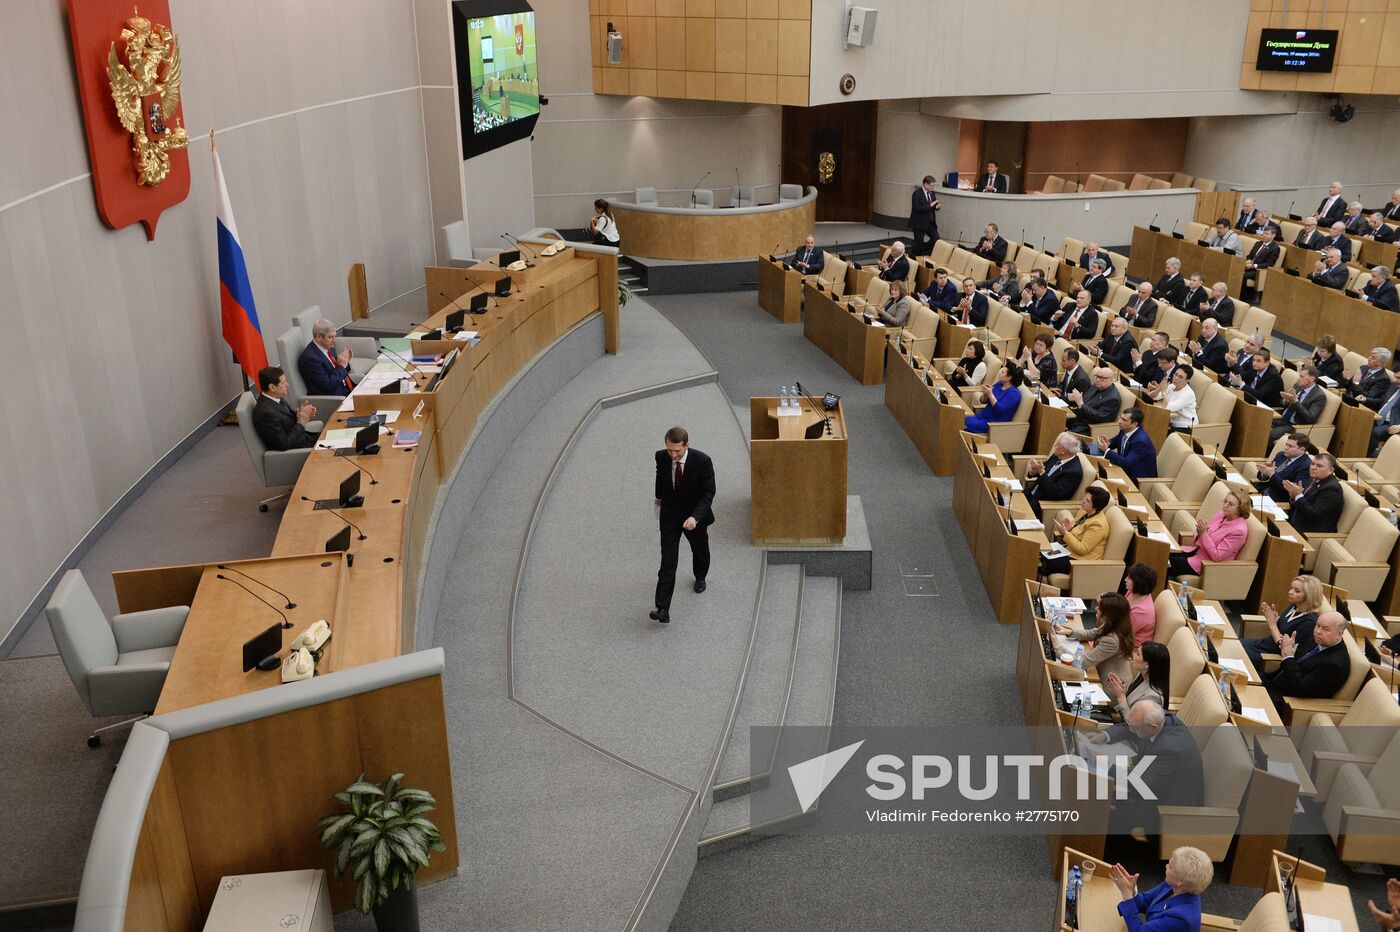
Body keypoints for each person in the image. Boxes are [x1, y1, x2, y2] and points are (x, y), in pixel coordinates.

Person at [650, 426, 716, 624]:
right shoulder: (661, 457)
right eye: (670, 449)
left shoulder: (702, 461)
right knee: (667, 561)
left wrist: (695, 517)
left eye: (677, 450)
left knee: (700, 549)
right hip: (670, 514)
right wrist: (659, 497)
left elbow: (708, 494)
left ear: (687, 445)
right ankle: (662, 608)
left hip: (693, 515)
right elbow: (660, 477)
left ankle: (700, 576)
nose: (673, 455)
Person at [1086, 700, 1205, 809]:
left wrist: (1106, 765)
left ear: (1154, 726)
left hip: (1166, 809)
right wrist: (1104, 735)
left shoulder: (1170, 750)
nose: (1131, 730)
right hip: (1151, 779)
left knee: (1096, 809)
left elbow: (1142, 784)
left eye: (1135, 728)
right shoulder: (1156, 716)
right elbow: (1130, 726)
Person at [1109, 846, 1214, 931]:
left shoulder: (1180, 919)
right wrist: (1131, 890)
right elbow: (1146, 902)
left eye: (1171, 866)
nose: (1166, 866)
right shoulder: (1172, 885)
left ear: (1181, 881)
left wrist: (1127, 896)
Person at [1265, 611, 1351, 711]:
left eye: (1325, 629)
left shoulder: (1333, 666)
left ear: (1340, 634)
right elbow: (1302, 661)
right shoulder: (1321, 639)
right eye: (1318, 625)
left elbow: (1301, 688)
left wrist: (1288, 658)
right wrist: (1291, 648)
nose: (1318, 631)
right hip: (1275, 680)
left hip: (1286, 700)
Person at [1242, 574, 1324, 670]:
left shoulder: (1309, 623)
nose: (1290, 592)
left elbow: (1285, 649)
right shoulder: (1295, 606)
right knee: (1236, 644)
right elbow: (1284, 629)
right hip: (1265, 644)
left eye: (1296, 591)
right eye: (1291, 588)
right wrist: (1276, 620)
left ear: (1309, 596)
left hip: (1272, 655)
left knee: (1237, 651)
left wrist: (1272, 625)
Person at [1053, 591, 1135, 686]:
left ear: (1108, 615)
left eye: (1099, 608)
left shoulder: (1111, 640)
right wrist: (1069, 632)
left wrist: (1059, 648)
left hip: (1110, 688)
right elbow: (1093, 633)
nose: (1096, 609)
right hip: (1103, 674)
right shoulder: (1116, 625)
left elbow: (1081, 663)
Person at [1169, 489, 1248, 578]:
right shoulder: (1221, 515)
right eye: (1225, 502)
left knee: (1165, 560)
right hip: (1196, 552)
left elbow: (1217, 556)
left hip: (1206, 565)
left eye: (1231, 504)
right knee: (1165, 551)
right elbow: (1202, 531)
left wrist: (1203, 534)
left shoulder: (1239, 531)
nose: (1225, 506)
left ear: (1241, 509)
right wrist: (1200, 531)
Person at [1040, 486, 1111, 577]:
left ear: (1096, 506)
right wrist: (1068, 528)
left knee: (1045, 561)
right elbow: (1077, 533)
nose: (1083, 501)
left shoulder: (1098, 525)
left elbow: (1082, 549)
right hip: (1070, 551)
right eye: (1084, 497)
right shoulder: (1085, 512)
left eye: (1087, 501)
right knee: (1041, 552)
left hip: (1081, 562)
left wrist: (1066, 533)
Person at [252, 366, 318, 451]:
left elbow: (286, 419)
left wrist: (300, 414)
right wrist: (301, 422)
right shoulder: (265, 413)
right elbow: (284, 444)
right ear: (272, 387)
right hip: (300, 450)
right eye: (283, 383)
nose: (288, 384)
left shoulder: (276, 397)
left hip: (305, 439)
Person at [1105, 641, 1170, 721]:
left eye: (1138, 654)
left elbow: (1134, 726)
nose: (1134, 655)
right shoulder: (1142, 676)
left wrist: (1121, 697)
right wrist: (1121, 691)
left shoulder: (1153, 698)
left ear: (1147, 665)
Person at [1024, 432, 1084, 518]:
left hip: (1040, 505)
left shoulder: (1073, 472)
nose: (1054, 445)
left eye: (1057, 444)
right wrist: (1034, 471)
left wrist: (1041, 472)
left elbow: (1054, 493)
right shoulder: (1058, 456)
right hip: (1030, 494)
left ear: (1063, 451)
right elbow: (1043, 468)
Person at [1282, 453, 1343, 534]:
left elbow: (1313, 514)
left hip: (1310, 532)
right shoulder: (1314, 479)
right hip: (1295, 522)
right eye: (1313, 464)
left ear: (1331, 470)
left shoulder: (1332, 489)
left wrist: (1298, 496)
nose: (1313, 467)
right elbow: (1302, 503)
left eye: (1319, 466)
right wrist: (1293, 496)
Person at [298, 318, 354, 397]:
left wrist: (345, 362)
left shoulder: (327, 346)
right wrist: (341, 366)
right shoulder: (310, 359)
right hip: (338, 398)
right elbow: (328, 385)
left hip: (348, 389)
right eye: (330, 337)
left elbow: (337, 371)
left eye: (335, 336)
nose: (334, 341)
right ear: (318, 337)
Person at [1269, 363, 1325, 443]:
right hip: (1281, 419)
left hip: (1294, 426)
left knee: (1270, 434)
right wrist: (1286, 400)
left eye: (1301, 376)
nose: (1298, 379)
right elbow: (1281, 403)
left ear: (1312, 379)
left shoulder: (1319, 396)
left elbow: (1310, 418)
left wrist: (1295, 401)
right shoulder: (1297, 385)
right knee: (1260, 422)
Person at [963, 363, 1024, 433]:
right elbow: (983, 401)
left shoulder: (1014, 393)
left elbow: (999, 409)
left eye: (1003, 372)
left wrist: (990, 394)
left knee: (963, 424)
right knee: (960, 419)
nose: (1000, 372)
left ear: (1009, 377)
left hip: (993, 423)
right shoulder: (1000, 384)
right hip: (983, 416)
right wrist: (985, 394)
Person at [1099, 408, 1158, 481]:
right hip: (1124, 468)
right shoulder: (1125, 429)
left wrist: (1107, 451)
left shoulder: (1141, 442)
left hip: (1138, 478)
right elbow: (1116, 441)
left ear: (1134, 424)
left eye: (1124, 420)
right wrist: (1108, 443)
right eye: (1120, 418)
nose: (1119, 421)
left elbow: (1126, 463)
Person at [1251, 433, 1313, 502]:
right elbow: (1262, 478)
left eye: (1290, 446)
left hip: (1278, 500)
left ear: (1301, 450)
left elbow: (1291, 491)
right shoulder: (1281, 455)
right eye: (1286, 444)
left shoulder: (1306, 466)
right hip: (1262, 490)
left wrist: (1272, 474)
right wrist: (1264, 473)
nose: (1286, 448)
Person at [1067, 367, 1123, 435]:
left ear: (1111, 379)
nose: (1098, 380)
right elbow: (1084, 398)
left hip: (1088, 427)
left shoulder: (1113, 399)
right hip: (1077, 418)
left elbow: (1098, 417)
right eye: (1097, 376)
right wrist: (1075, 398)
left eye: (1102, 378)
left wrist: (1081, 404)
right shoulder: (1096, 386)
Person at [1150, 365, 1198, 433]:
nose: (1176, 378)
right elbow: (1153, 397)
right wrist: (1159, 388)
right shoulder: (1172, 385)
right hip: (1171, 421)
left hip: (1185, 426)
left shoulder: (1188, 394)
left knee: (1157, 430)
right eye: (1175, 374)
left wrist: (1164, 392)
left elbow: (1170, 408)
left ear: (1187, 381)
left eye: (1180, 377)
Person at [1122, 562, 1159, 646]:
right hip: (1122, 638)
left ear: (1139, 583)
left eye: (1129, 578)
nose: (1125, 579)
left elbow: (1121, 633)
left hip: (1131, 649)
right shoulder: (1133, 592)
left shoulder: (1141, 611)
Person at [908, 174, 940, 256]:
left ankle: (924, 248)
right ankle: (914, 258)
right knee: (918, 243)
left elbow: (933, 206)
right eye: (931, 185)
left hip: (930, 222)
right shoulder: (917, 193)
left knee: (936, 238)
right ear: (925, 184)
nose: (933, 187)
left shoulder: (932, 193)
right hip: (919, 222)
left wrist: (937, 207)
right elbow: (916, 208)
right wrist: (930, 206)